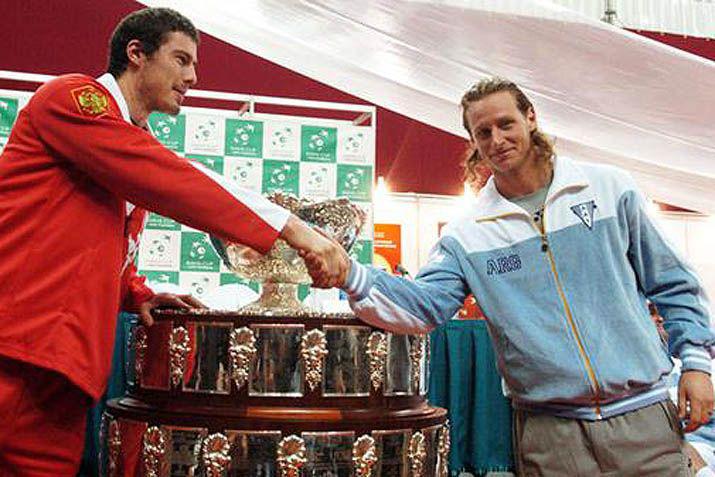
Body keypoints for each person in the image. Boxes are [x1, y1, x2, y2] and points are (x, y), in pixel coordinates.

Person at [306, 77, 715, 475]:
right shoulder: (468, 233)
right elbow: (426, 306)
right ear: (474, 144)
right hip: (550, 433)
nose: (497, 140)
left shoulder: (608, 189)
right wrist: (351, 275)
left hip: (642, 417)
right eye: (483, 132)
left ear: (530, 118)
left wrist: (696, 364)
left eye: (505, 124)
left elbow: (672, 282)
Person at [0, 7, 345, 474]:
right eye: (181, 60)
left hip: (61, 370)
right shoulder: (72, 98)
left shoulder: (130, 144)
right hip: (17, 352)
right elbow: (176, 180)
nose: (193, 76)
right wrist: (294, 228)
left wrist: (138, 293)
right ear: (136, 53)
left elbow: (89, 249)